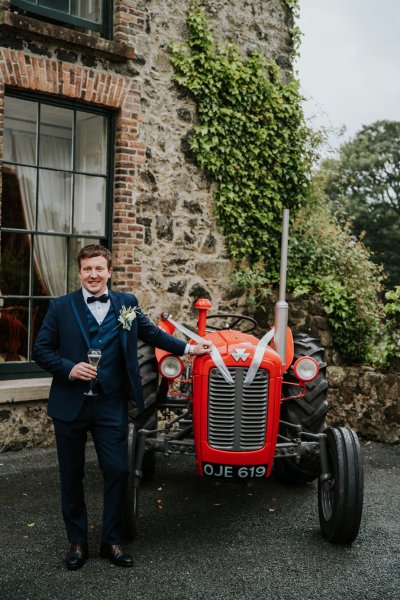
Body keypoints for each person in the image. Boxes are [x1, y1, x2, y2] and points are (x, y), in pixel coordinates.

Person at [33, 244, 211, 570]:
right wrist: (69, 368)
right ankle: (77, 542)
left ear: (109, 272)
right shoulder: (60, 307)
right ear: (80, 272)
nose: (93, 275)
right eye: (87, 269)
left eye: (99, 269)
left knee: (118, 470)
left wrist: (188, 347)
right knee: (71, 477)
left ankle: (111, 541)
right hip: (70, 405)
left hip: (110, 402)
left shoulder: (125, 306)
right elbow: (41, 350)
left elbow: (151, 333)